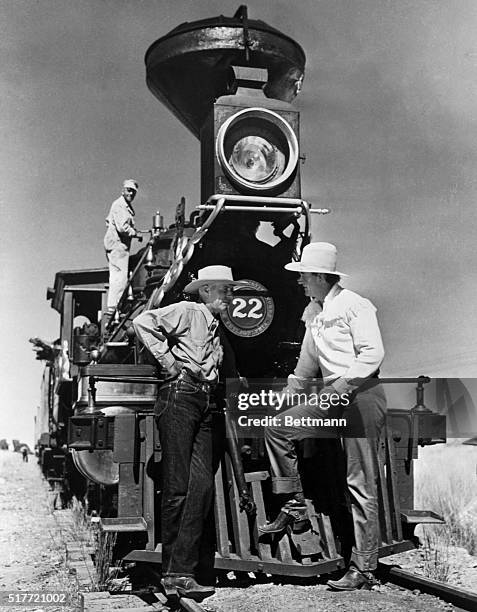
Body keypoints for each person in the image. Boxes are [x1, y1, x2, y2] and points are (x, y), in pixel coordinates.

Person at [259, 242, 386, 591]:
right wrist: (280, 399)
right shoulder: (312, 312)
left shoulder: (355, 305)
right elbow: (305, 367)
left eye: (303, 275)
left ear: (318, 276)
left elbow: (373, 353)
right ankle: (294, 503)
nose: (299, 281)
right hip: (331, 397)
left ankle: (363, 567)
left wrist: (342, 386)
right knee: (279, 427)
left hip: (361, 394)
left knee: (359, 482)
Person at [133, 265, 247, 600]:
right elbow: (144, 322)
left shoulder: (215, 327)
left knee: (200, 487)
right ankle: (172, 573)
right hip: (180, 398)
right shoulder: (188, 310)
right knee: (179, 485)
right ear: (207, 289)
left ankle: (183, 572)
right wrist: (169, 363)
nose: (231, 298)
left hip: (205, 403)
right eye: (226, 291)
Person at [103, 179, 139, 314]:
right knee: (119, 277)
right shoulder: (120, 205)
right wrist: (134, 232)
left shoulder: (125, 206)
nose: (131, 193)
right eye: (129, 190)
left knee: (120, 276)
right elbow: (122, 227)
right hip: (117, 246)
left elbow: (109, 221)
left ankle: (116, 308)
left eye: (133, 192)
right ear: (123, 190)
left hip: (119, 246)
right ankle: (113, 310)